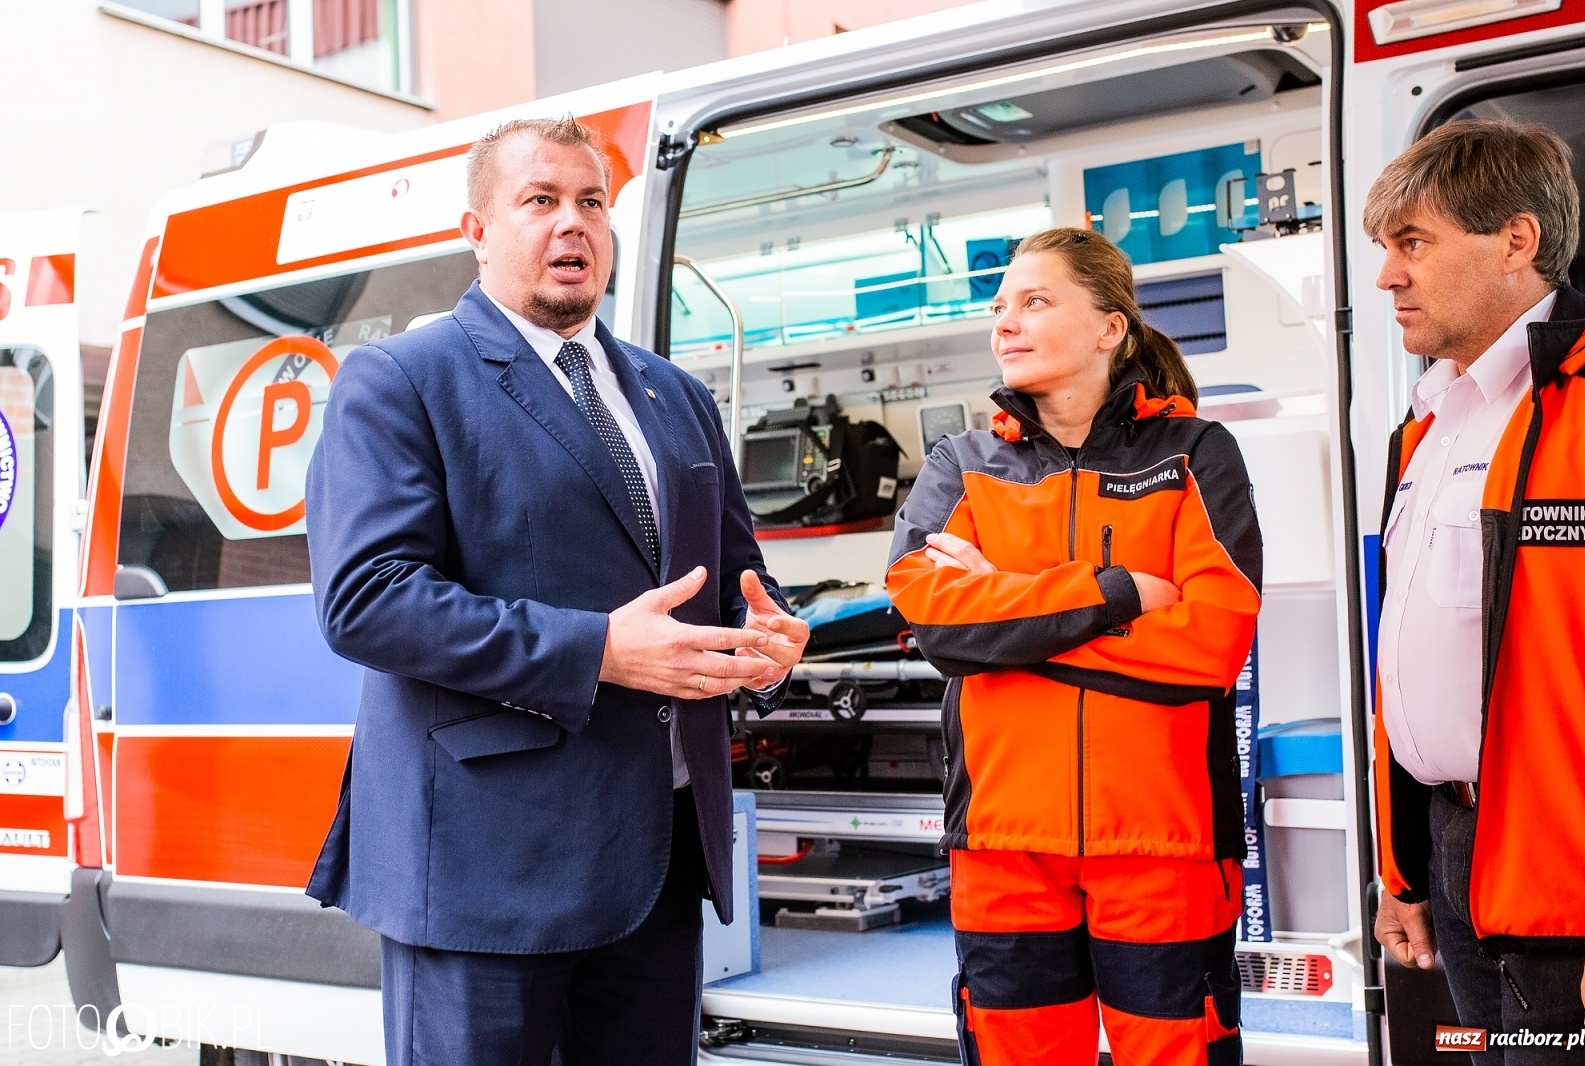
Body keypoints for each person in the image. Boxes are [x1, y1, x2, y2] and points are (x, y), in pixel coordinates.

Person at [302, 116, 808, 1066]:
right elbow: (368, 597)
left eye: (590, 203)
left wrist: (763, 645)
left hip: (657, 861)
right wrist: (600, 651)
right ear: (477, 229)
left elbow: (738, 579)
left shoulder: (675, 394)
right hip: (487, 874)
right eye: (539, 201)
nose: (571, 225)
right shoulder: (403, 380)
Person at [885, 227, 1263, 1066]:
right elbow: (935, 621)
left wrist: (1005, 622)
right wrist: (1114, 594)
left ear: (1109, 327)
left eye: (1035, 300)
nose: (1005, 324)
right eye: (999, 307)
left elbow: (1211, 642)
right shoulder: (961, 464)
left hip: (1164, 844)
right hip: (1002, 842)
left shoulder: (1196, 456)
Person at [1366, 119, 1585, 1060]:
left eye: (1412, 243)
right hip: (1454, 844)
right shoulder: (1427, 429)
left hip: (1569, 866)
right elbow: (1412, 653)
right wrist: (1405, 871)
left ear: (1515, 240)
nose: (1387, 275)